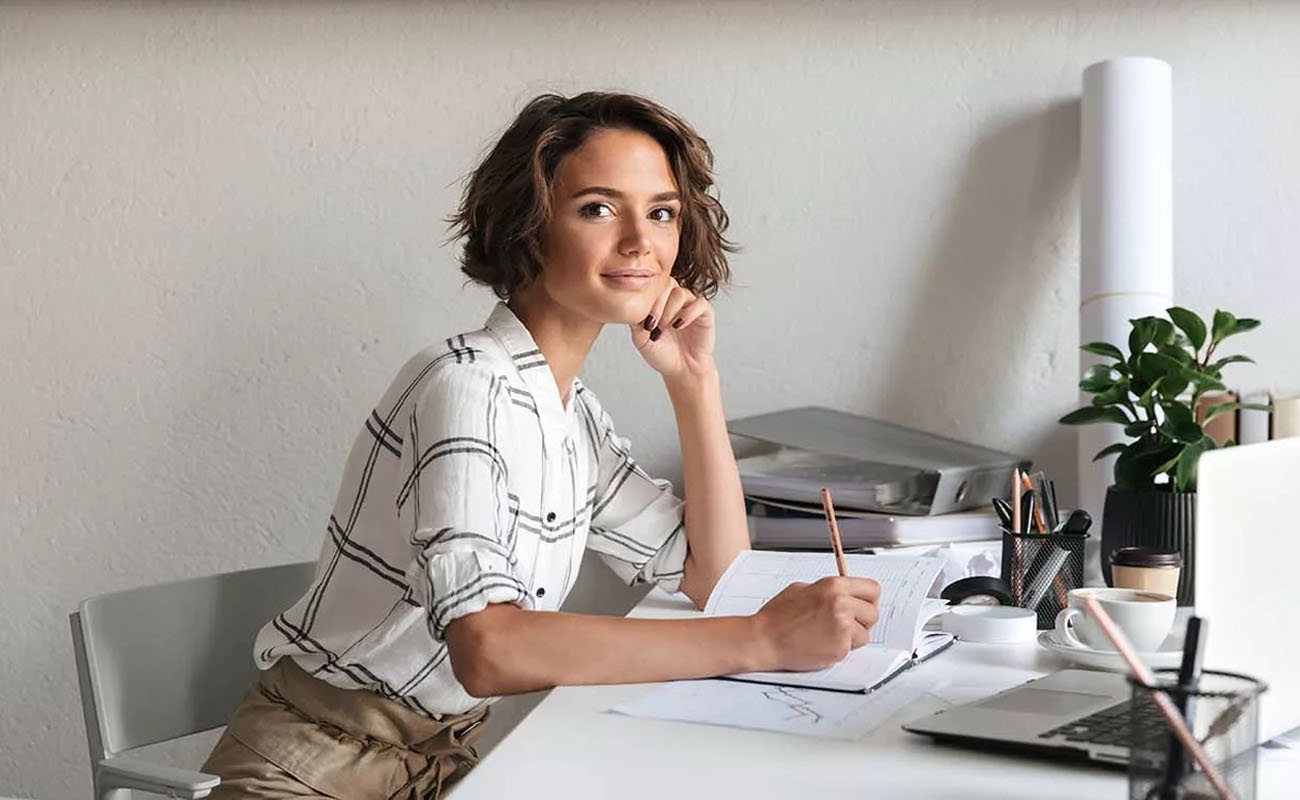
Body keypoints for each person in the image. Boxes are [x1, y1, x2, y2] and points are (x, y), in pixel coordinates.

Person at [202, 91, 882, 799]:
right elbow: (489, 649)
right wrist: (762, 638)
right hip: (307, 772)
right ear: (530, 225)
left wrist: (694, 384)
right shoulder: (465, 386)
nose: (639, 241)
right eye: (597, 207)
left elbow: (716, 578)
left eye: (661, 212)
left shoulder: (568, 413)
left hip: (436, 769)